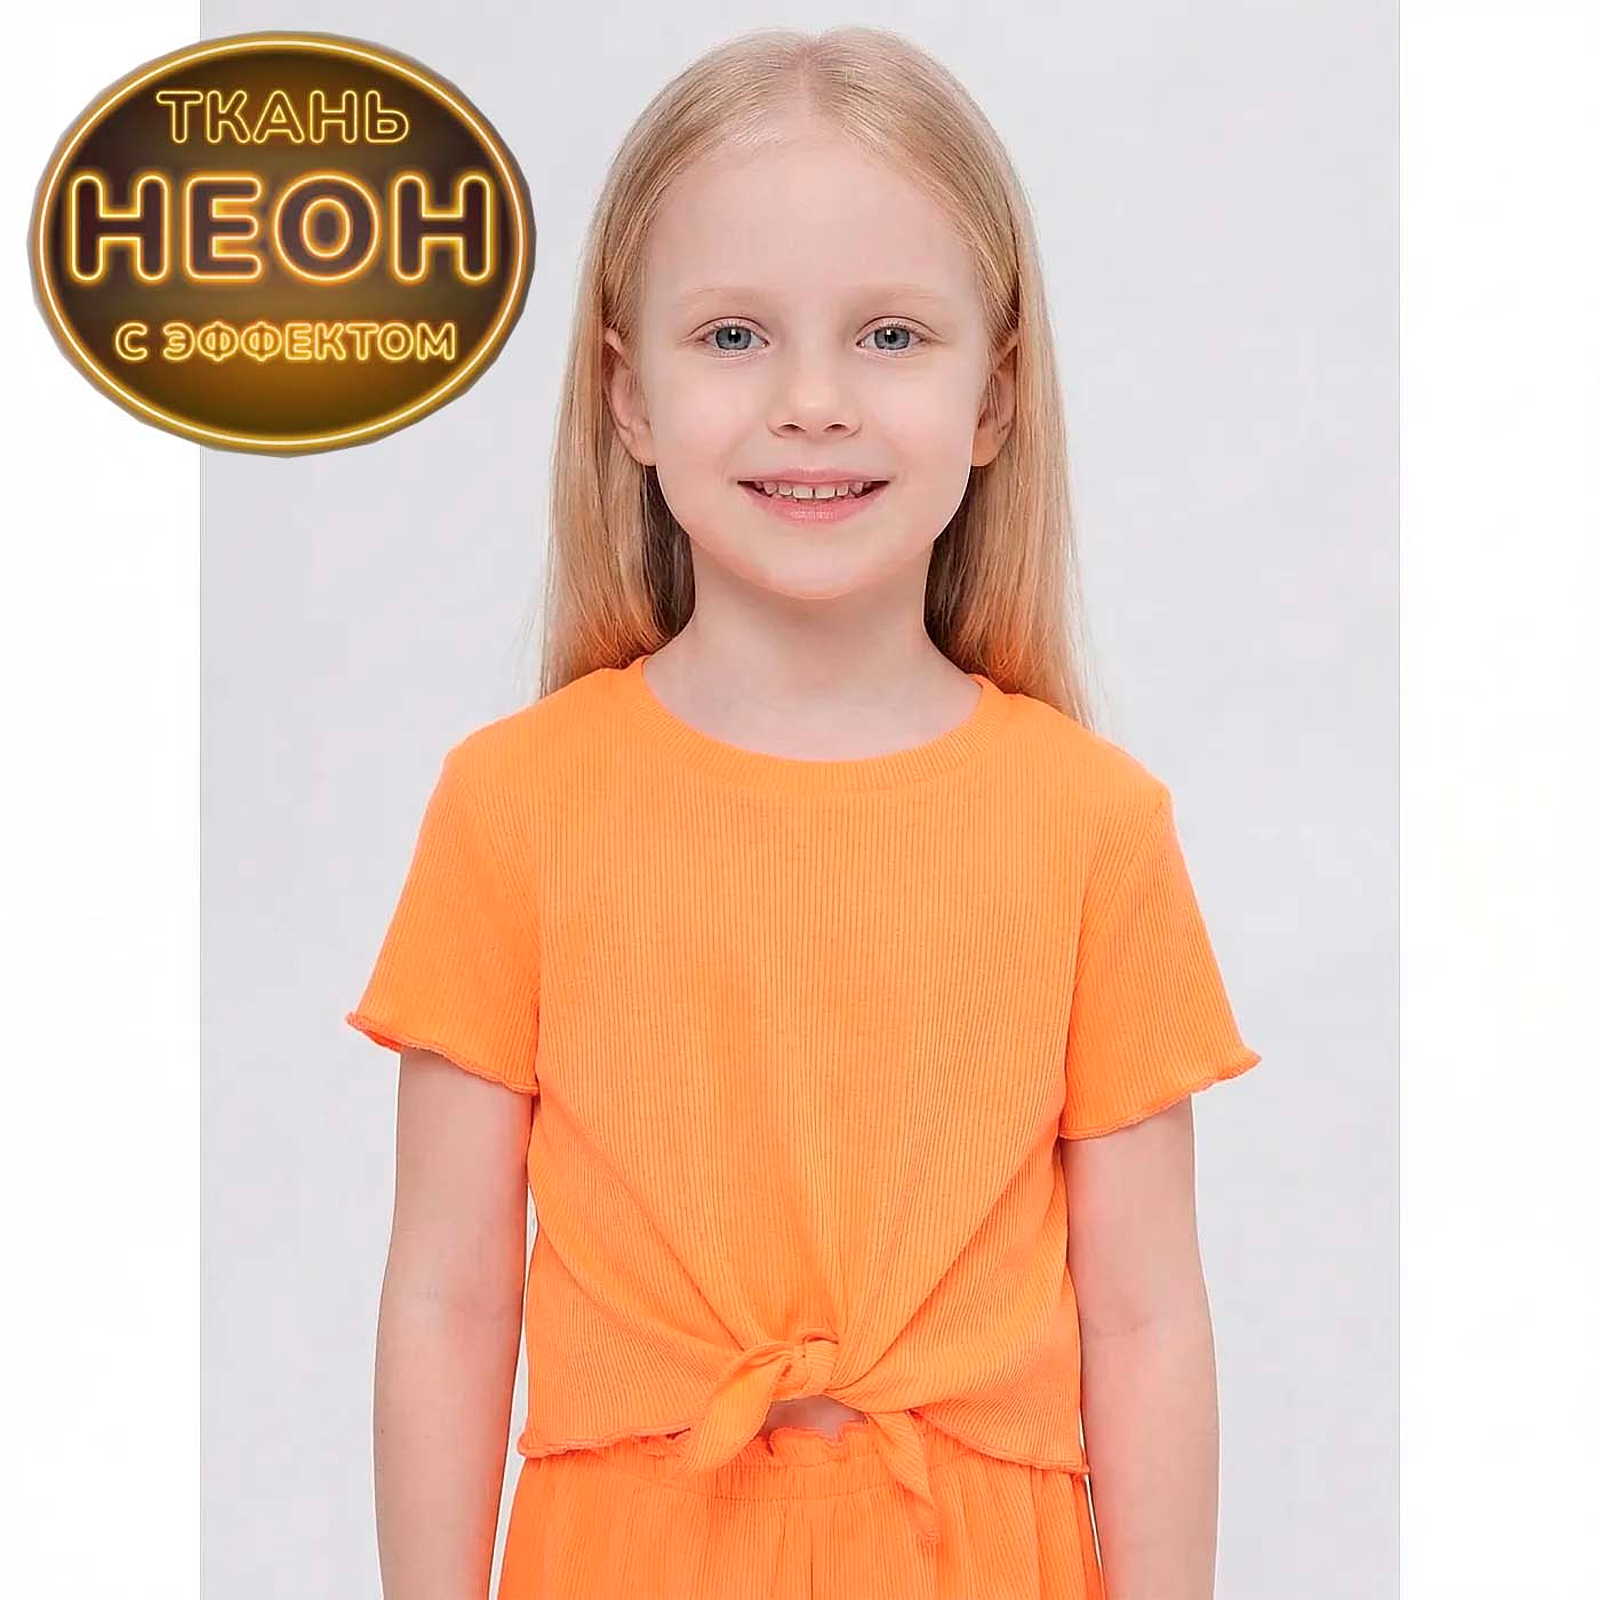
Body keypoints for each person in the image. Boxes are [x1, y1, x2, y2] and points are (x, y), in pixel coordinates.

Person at [345, 25, 1263, 1600]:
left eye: (892, 335)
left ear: (995, 397)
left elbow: (1148, 1318)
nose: (815, 402)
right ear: (628, 395)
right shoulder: (513, 806)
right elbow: (447, 1297)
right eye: (734, 335)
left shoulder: (1093, 824)